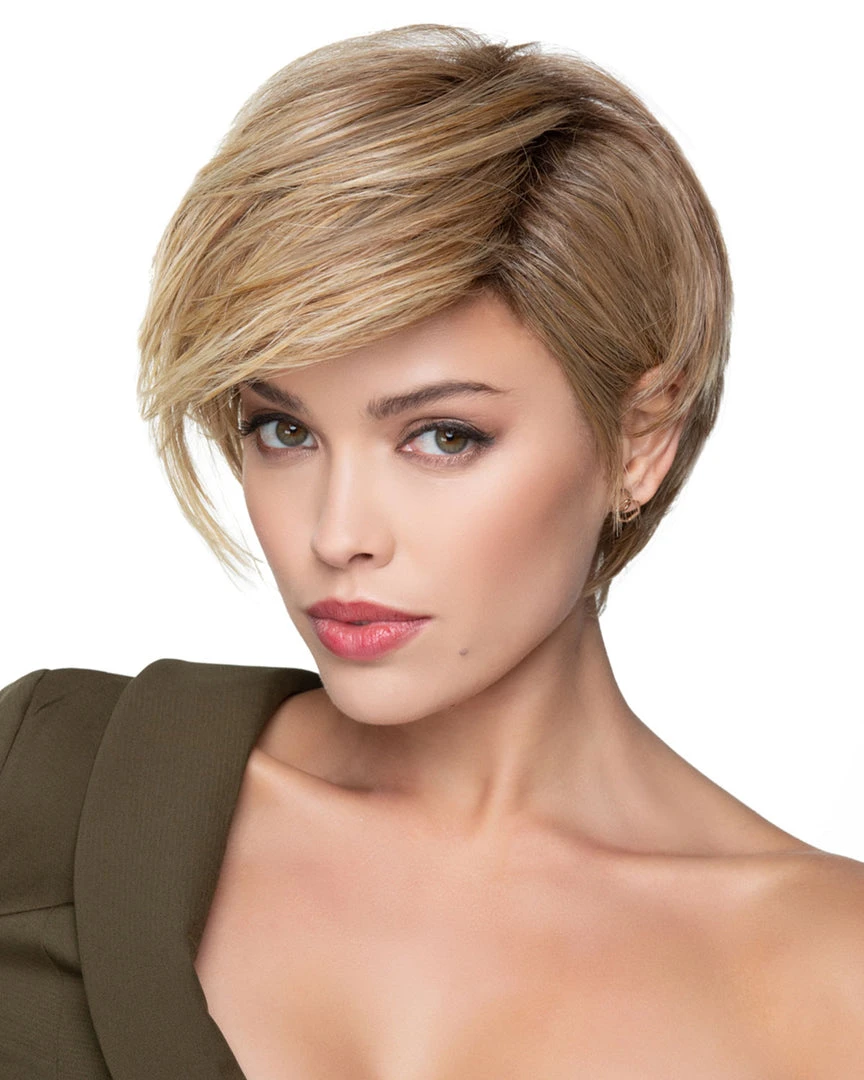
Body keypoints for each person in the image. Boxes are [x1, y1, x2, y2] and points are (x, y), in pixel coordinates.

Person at [1, 23, 862, 1080]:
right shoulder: (45, 789)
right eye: (283, 429)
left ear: (642, 437)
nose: (337, 535)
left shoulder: (831, 977)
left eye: (443, 437)